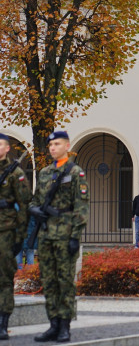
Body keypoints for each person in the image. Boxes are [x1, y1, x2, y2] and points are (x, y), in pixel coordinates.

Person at [30, 131, 89, 344]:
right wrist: (34, 210)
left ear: (67, 145)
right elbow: (35, 200)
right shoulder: (45, 173)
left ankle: (65, 326)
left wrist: (75, 237)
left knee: (65, 282)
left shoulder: (75, 172)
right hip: (46, 235)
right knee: (49, 281)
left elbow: (81, 207)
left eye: (57, 144)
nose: (52, 148)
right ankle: (53, 324)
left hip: (65, 235)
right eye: (50, 145)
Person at [0, 133, 30, 340]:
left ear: (7, 148)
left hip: (5, 230)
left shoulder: (15, 172)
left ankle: (3, 322)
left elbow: (24, 205)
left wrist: (20, 237)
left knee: (4, 278)